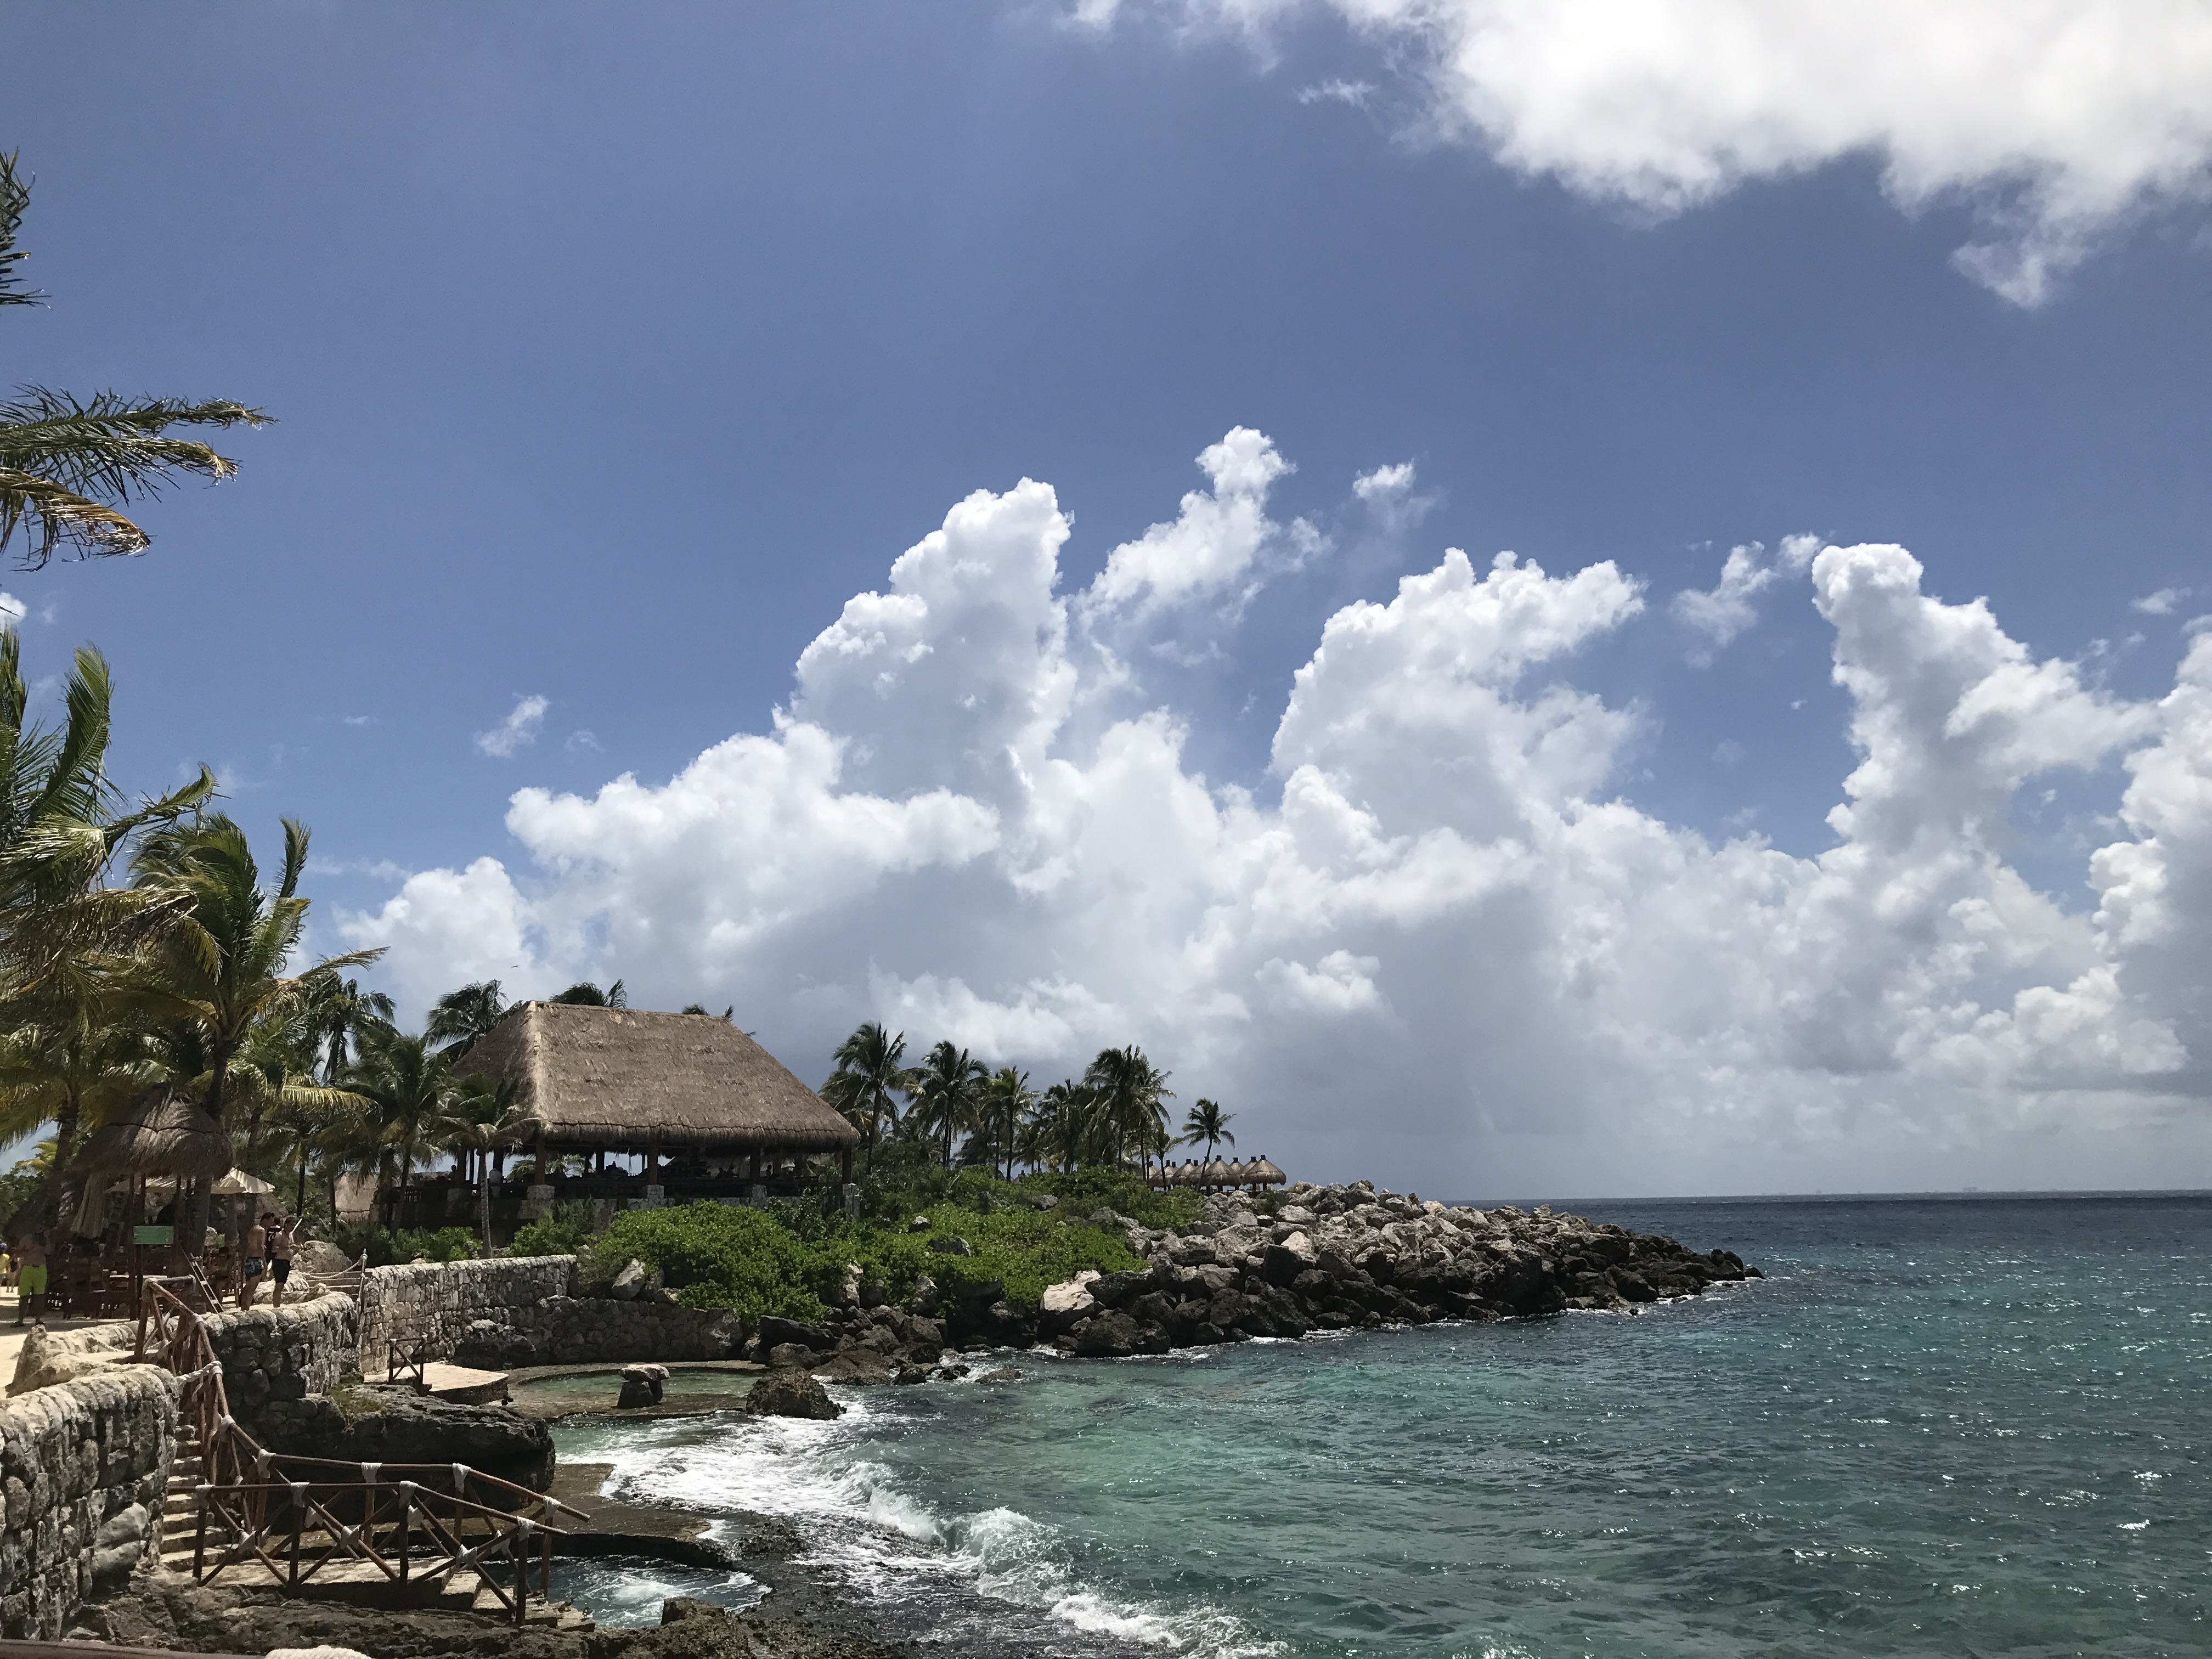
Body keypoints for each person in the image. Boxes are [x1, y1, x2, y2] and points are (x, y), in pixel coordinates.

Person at [14, 1234, 47, 1325]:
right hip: (28, 1267)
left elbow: (50, 1251)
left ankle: (38, 1320)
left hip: (41, 1268)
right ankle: (20, 1320)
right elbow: (18, 1252)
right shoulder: (26, 1238)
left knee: (40, 1296)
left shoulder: (45, 1238)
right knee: (24, 1295)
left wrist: (43, 1242)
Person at [239, 1212, 269, 1310]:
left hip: (249, 1259)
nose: (271, 1224)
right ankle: (247, 1308)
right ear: (266, 1220)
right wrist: (265, 1263)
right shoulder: (261, 1231)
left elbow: (249, 1245)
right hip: (256, 1260)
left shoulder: (253, 1230)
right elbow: (260, 1247)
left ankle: (243, 1308)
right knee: (253, 1287)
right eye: (271, 1221)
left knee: (248, 1286)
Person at [268, 1214, 296, 1307]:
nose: (293, 1227)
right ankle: (276, 1306)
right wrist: (288, 1248)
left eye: (294, 1225)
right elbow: (274, 1249)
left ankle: (277, 1305)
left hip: (286, 1262)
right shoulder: (280, 1235)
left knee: (282, 1285)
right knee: (279, 1285)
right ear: (286, 1225)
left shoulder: (290, 1235)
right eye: (291, 1225)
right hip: (279, 1262)